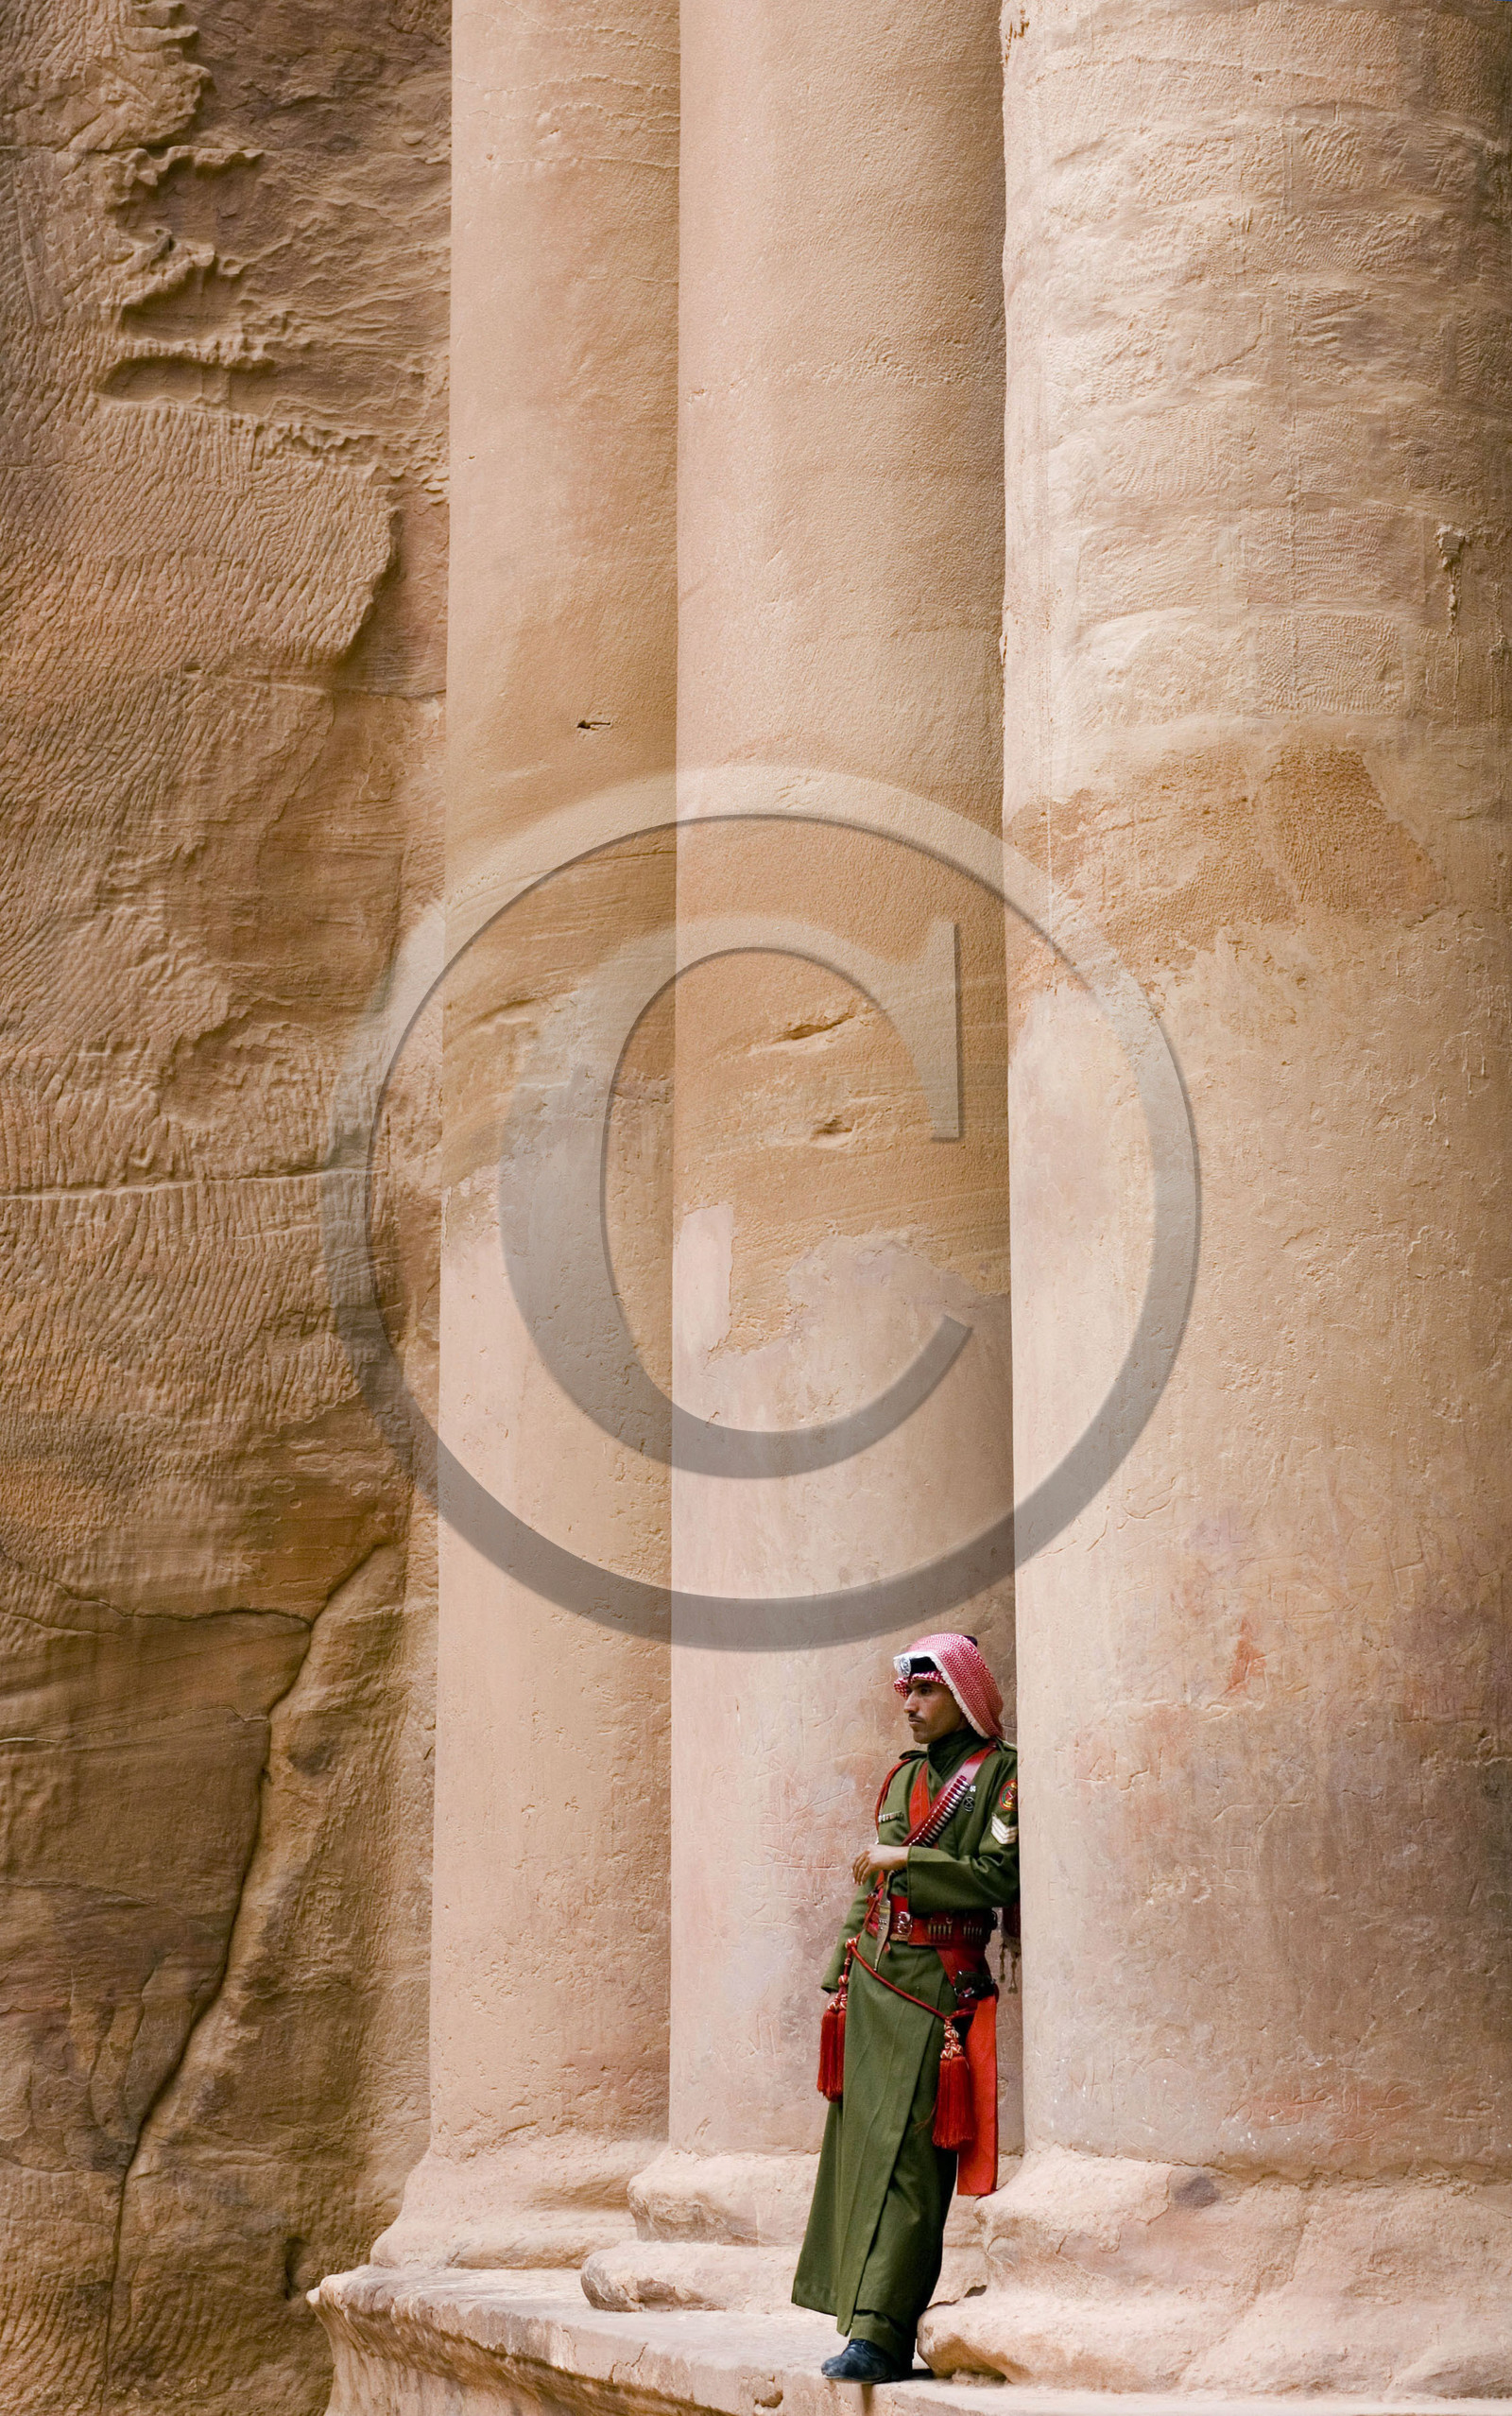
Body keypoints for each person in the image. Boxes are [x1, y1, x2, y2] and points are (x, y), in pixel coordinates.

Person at [793, 1632, 1019, 2383]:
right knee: (859, 2156)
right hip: (876, 1983)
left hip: (939, 1992)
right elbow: (869, 1890)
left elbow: (997, 1876)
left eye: (926, 1693)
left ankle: (883, 2335)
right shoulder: (902, 1779)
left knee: (912, 2168)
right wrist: (839, 1976)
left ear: (963, 1695)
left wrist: (909, 1860)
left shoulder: (1001, 1777)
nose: (911, 1707)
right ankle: (855, 2315)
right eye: (907, 1693)